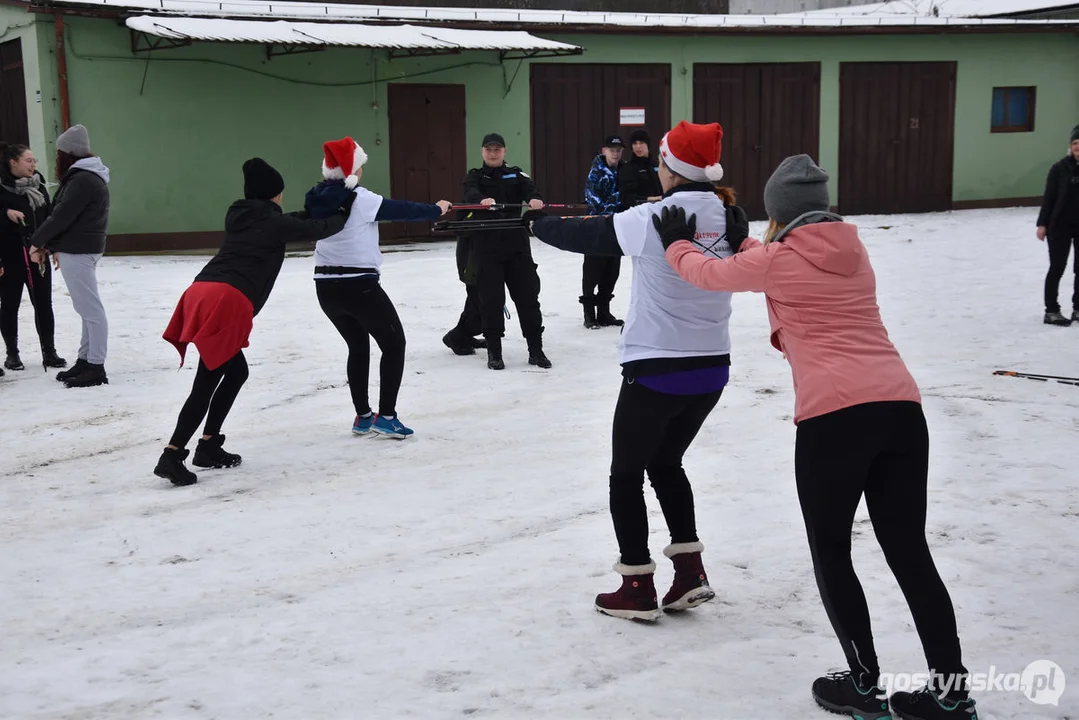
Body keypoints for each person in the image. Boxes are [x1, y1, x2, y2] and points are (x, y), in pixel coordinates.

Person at [662, 154, 975, 720]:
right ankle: (952, 695)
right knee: (910, 553)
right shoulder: (855, 254)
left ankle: (861, 684)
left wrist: (677, 244)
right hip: (901, 409)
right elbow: (776, 260)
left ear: (778, 213)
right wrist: (749, 245)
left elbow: (708, 276)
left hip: (835, 419)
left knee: (832, 550)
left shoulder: (778, 260)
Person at [529, 121, 745, 621]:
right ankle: (690, 574)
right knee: (667, 463)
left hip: (656, 367)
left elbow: (585, 234)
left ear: (669, 166)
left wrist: (534, 222)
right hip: (711, 368)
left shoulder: (655, 216)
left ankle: (636, 586)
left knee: (625, 475)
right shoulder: (729, 212)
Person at [154, 158, 351, 486]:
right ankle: (173, 454)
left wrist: (316, 209)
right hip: (227, 299)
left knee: (236, 372)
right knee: (207, 381)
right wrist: (342, 215)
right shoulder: (272, 223)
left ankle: (208, 446)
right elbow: (313, 229)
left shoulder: (242, 216)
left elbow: (294, 221)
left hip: (201, 289)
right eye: (281, 194)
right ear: (274, 195)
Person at [305, 136, 452, 439]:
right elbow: (403, 209)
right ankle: (386, 417)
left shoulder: (316, 199)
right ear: (352, 170)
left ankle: (362, 416)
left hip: (325, 286)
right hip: (359, 284)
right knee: (394, 344)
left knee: (357, 346)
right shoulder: (362, 199)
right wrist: (436, 209)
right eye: (361, 166)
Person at [29, 125, 110, 388]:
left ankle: (95, 365)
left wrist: (37, 242)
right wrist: (51, 245)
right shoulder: (85, 177)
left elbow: (61, 216)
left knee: (90, 309)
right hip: (80, 247)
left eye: (59, 153)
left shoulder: (82, 179)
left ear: (68, 154)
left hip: (79, 250)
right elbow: (66, 216)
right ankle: (86, 359)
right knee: (87, 309)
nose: (56, 159)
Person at [462, 133, 549, 370]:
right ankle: (494, 352)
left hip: (516, 247)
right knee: (491, 301)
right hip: (486, 248)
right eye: (489, 149)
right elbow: (470, 193)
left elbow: (532, 190)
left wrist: (535, 200)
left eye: (497, 149)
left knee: (528, 298)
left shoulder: (517, 174)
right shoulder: (474, 177)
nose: (493, 153)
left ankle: (536, 350)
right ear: (482, 152)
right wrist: (481, 200)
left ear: (504, 151)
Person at [1, 142, 65, 372]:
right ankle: (12, 354)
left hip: (37, 254)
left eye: (34, 160)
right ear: (13, 162)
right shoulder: (1, 186)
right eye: (28, 160)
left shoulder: (38, 184)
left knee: (43, 303)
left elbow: (50, 218)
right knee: (10, 304)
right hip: (9, 256)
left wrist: (52, 246)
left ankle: (49, 352)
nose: (33, 164)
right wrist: (5, 213)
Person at [1036, 123, 1079, 326]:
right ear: (1070, 146)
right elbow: (1049, 198)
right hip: (1059, 226)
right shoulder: (1059, 169)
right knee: (1057, 268)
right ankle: (1051, 310)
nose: (1078, 147)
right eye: (1075, 143)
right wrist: (1042, 224)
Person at [581, 135, 626, 328]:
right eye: (612, 149)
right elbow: (594, 201)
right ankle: (589, 314)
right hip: (596, 227)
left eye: (618, 150)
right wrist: (618, 201)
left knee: (611, 271)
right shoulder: (596, 172)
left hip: (617, 228)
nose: (615, 153)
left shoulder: (624, 170)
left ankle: (604, 312)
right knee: (592, 271)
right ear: (604, 150)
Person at [618, 129, 663, 210]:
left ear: (647, 145)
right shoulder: (627, 169)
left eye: (641, 143)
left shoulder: (658, 165)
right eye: (635, 143)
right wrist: (651, 199)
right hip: (638, 212)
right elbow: (626, 198)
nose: (638, 147)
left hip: (660, 210)